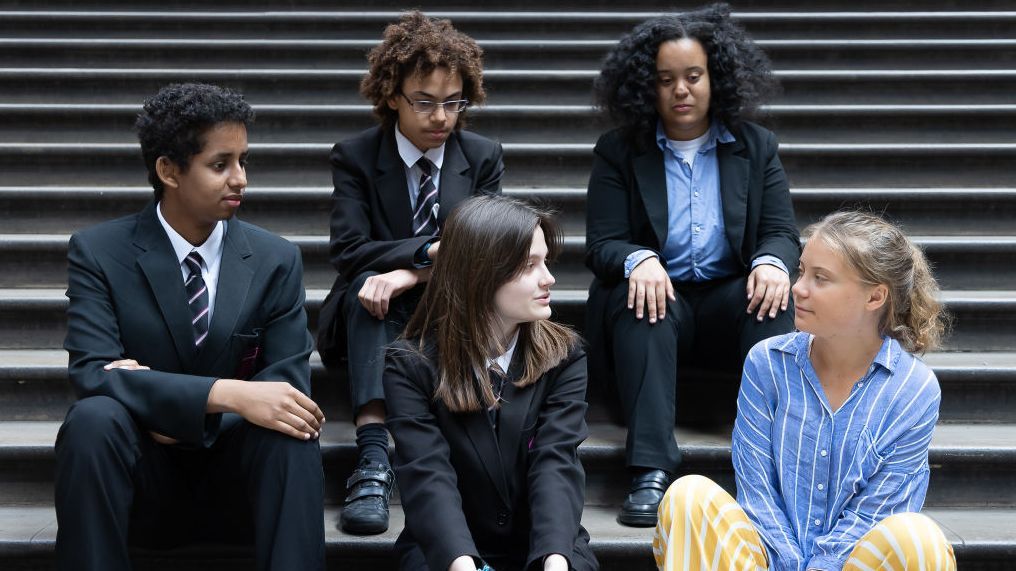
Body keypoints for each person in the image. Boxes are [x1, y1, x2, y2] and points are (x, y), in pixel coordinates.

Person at [54, 83, 326, 571]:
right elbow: (94, 374)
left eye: (244, 160)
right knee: (93, 420)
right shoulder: (99, 252)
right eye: (220, 164)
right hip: (143, 491)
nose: (240, 179)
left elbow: (286, 388)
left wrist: (161, 404)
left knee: (292, 429)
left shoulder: (275, 259)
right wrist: (228, 394)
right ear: (168, 170)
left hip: (243, 493)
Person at [584, 3, 800, 526]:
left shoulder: (756, 146)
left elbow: (780, 231)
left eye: (693, 76)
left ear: (716, 78)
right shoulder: (619, 150)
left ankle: (769, 463)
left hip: (728, 298)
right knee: (644, 301)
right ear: (646, 88)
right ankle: (650, 472)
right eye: (665, 80)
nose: (681, 90)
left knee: (773, 298)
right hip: (662, 305)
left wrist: (773, 261)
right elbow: (602, 243)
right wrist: (639, 259)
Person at [653, 210, 956, 571]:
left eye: (820, 278)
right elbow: (758, 492)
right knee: (688, 497)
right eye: (801, 270)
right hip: (768, 558)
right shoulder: (767, 363)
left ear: (875, 297)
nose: (798, 287)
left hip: (851, 563)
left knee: (918, 538)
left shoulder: (914, 390)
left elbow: (878, 511)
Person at [315, 11, 504, 535]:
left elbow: (489, 248)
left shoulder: (482, 156)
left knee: (390, 282)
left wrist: (411, 273)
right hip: (370, 314)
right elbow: (350, 249)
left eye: (453, 101)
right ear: (392, 95)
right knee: (369, 289)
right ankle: (374, 460)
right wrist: (429, 254)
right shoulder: (356, 157)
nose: (441, 116)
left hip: (456, 306)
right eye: (424, 101)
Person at [383, 195, 598, 571]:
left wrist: (555, 561)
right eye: (530, 265)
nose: (549, 278)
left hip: (545, 542)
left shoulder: (564, 355)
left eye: (545, 262)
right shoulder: (411, 365)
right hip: (446, 548)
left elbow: (556, 461)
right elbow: (427, 472)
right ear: (481, 273)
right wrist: (462, 564)